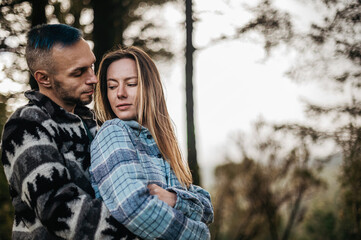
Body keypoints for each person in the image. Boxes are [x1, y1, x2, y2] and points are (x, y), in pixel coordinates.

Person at [1, 24, 138, 239]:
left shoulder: (98, 125)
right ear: (44, 78)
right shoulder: (26, 126)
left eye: (91, 67)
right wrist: (145, 230)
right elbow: (60, 210)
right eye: (78, 73)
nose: (93, 78)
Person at [90, 46, 214, 240]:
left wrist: (174, 199)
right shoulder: (113, 132)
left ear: (150, 87)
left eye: (130, 84)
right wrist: (198, 234)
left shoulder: (162, 146)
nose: (120, 93)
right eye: (112, 86)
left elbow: (206, 207)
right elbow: (135, 208)